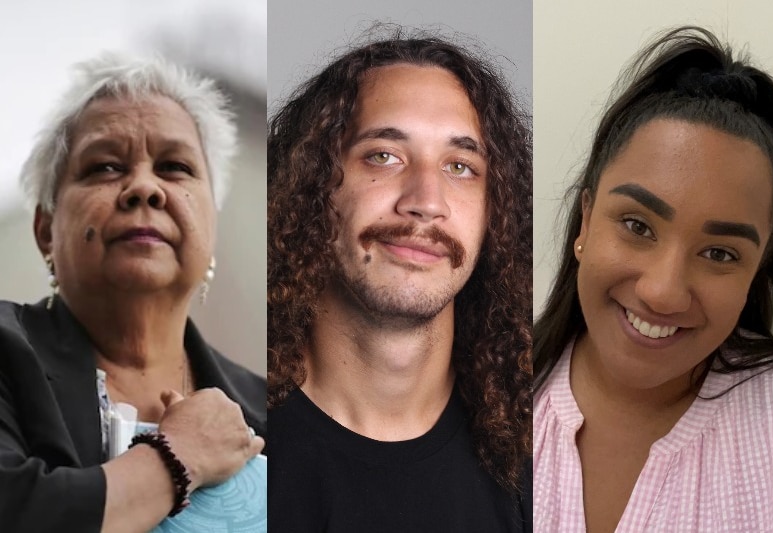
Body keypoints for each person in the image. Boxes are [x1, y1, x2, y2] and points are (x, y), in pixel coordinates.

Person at [532, 26, 773, 532]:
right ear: (586, 221)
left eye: (719, 253)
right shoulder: (481, 399)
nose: (663, 291)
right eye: (637, 226)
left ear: (756, 270)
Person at [267, 29, 533, 532]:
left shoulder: (540, 458)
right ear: (315, 187)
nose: (426, 201)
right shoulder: (239, 440)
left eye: (460, 166)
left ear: (494, 213)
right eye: (384, 155)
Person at [0, 53, 266, 533]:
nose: (144, 188)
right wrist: (175, 459)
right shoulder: (6, 355)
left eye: (174, 167)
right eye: (104, 167)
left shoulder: (274, 410)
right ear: (45, 230)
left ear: (211, 225)